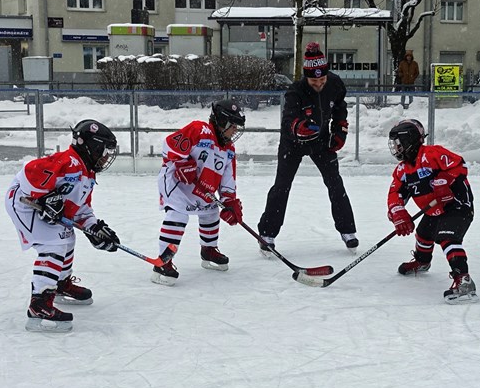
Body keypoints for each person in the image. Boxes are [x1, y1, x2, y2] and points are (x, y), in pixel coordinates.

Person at [4, 119, 121, 333]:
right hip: (23, 204)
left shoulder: (87, 173)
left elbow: (80, 209)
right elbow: (29, 172)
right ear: (92, 147)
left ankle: (60, 284)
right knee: (53, 245)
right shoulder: (67, 161)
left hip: (38, 207)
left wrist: (94, 228)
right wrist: (45, 199)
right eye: (104, 151)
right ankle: (39, 304)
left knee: (67, 238)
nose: (106, 157)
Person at [257, 41, 359, 253]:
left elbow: (340, 109)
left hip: (321, 142)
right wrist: (298, 127)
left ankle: (348, 230)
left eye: (322, 79)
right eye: (314, 80)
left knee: (335, 183)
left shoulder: (335, 84)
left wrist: (339, 131)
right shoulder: (296, 91)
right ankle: (267, 233)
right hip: (293, 144)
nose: (319, 84)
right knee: (282, 186)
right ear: (306, 76)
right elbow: (288, 121)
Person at [153, 99, 246, 286]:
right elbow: (169, 144)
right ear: (222, 122)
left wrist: (229, 202)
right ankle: (163, 261)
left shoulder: (229, 150)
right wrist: (181, 163)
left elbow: (228, 181)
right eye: (233, 125)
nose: (235, 130)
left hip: (202, 188)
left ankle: (208, 250)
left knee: (211, 213)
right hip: (176, 183)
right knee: (178, 216)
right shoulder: (199, 130)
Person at [387, 118, 476, 303]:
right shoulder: (402, 170)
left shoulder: (433, 154)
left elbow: (460, 165)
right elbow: (396, 193)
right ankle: (422, 261)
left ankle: (464, 280)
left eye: (398, 143)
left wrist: (445, 180)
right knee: (423, 234)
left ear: (410, 140)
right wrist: (398, 213)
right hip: (434, 210)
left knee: (447, 238)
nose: (396, 148)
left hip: (457, 206)